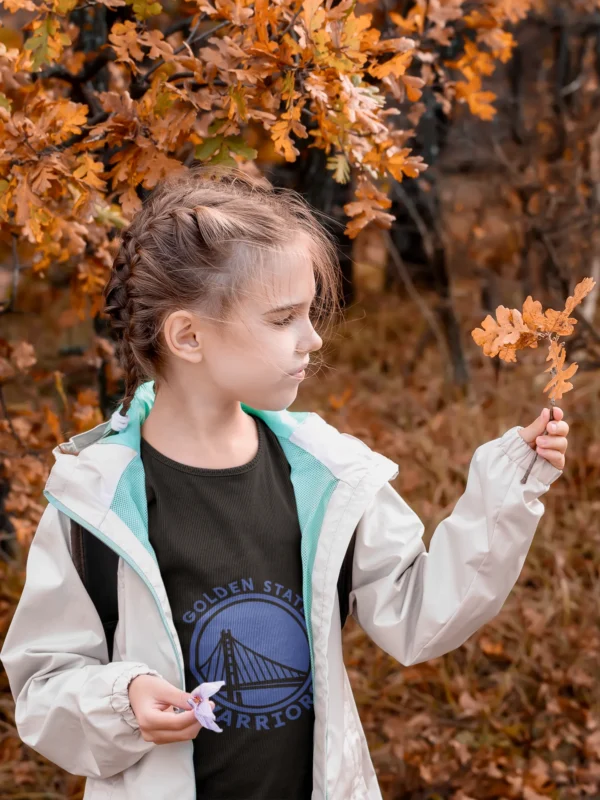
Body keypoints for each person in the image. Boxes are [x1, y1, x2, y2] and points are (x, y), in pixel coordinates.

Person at [1, 166, 569, 800]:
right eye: (283, 319)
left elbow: (419, 614)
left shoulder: (326, 473)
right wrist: (120, 700)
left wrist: (504, 490)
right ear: (188, 335)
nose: (313, 337)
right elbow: (43, 684)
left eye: (308, 314)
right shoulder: (95, 504)